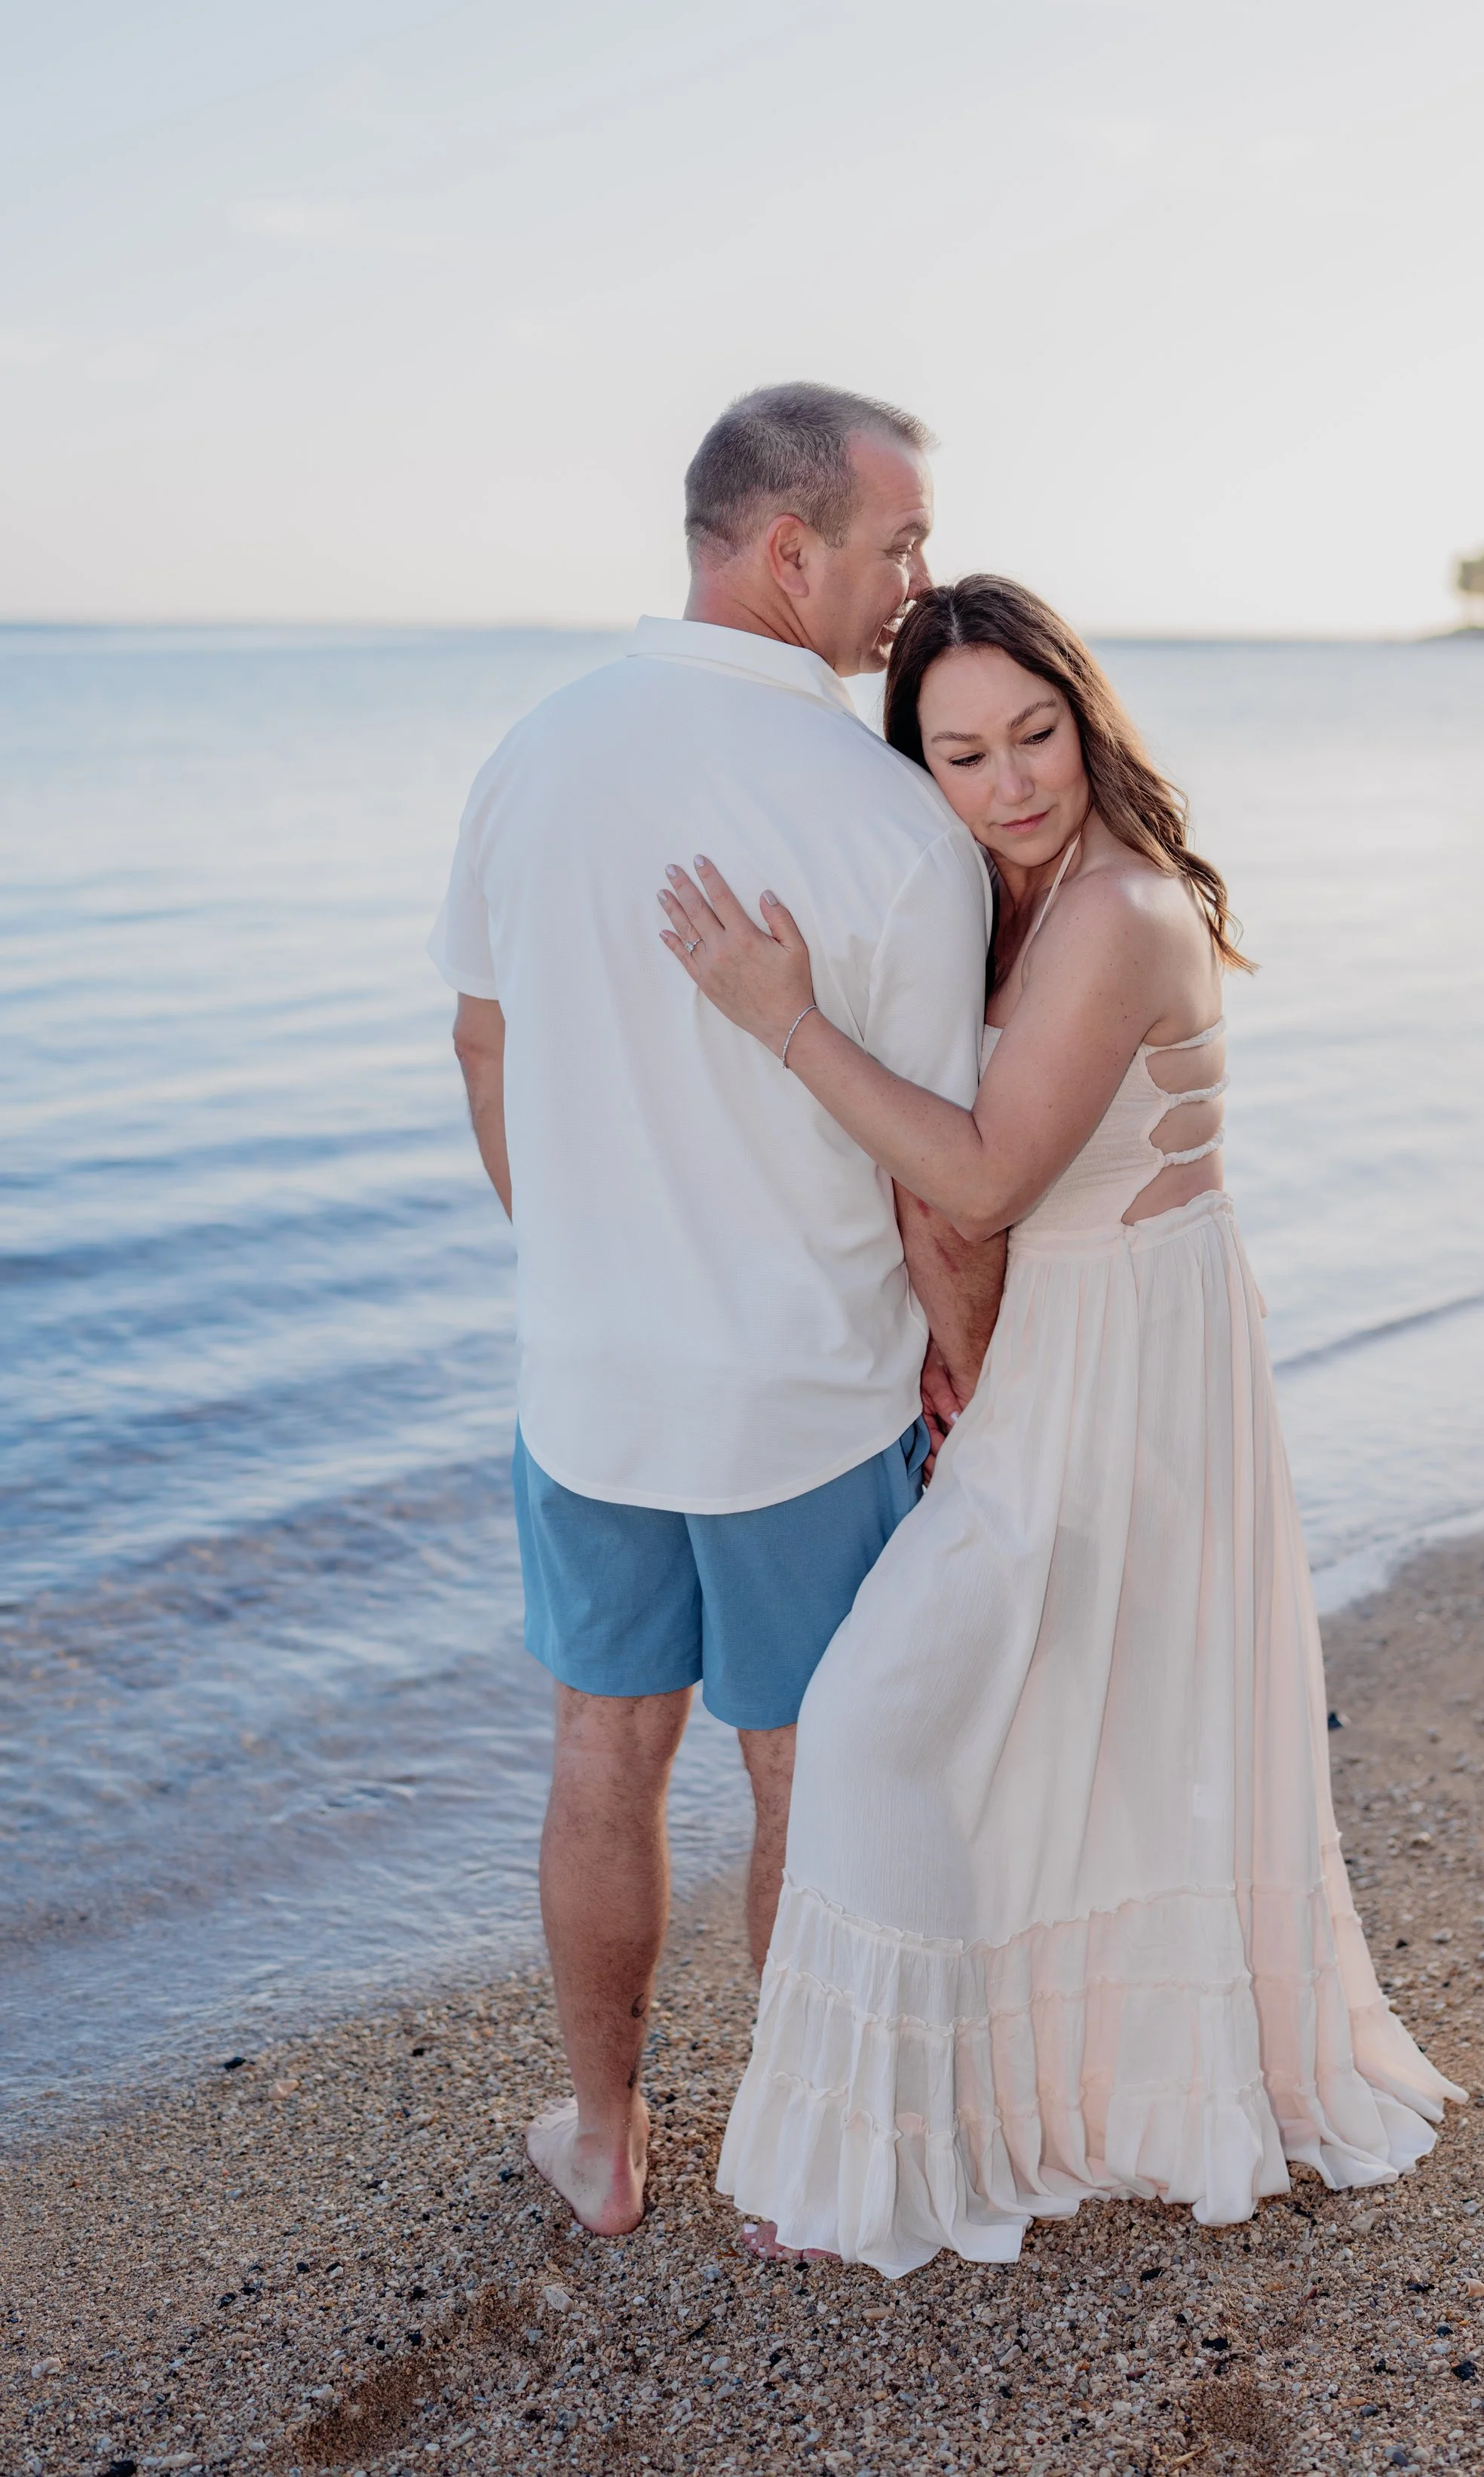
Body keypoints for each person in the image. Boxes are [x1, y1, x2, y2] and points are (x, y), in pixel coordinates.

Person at [658, 575, 1464, 2277]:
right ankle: (1034, 2096)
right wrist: (955, 1334)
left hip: (1132, 1358)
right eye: (960, 753)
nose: (1010, 780)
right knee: (1050, 1728)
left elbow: (984, 1168)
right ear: (920, 770)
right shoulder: (1001, 905)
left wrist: (780, 1016)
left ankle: (895, 2153)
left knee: (882, 1712)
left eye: (1034, 734)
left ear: (1085, 718)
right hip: (1067, 1342)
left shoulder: (1114, 912)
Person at [429, 385, 1005, 2238]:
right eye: (894, 547)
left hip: (587, 1383)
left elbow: (484, 1037)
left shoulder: (533, 750)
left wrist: (582, 1256)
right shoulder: (883, 817)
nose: (913, 586)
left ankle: (604, 2139)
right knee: (795, 1770)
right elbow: (935, 1171)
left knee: (603, 1744)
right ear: (788, 552)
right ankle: (781, 2157)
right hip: (800, 1395)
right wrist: (969, 1367)